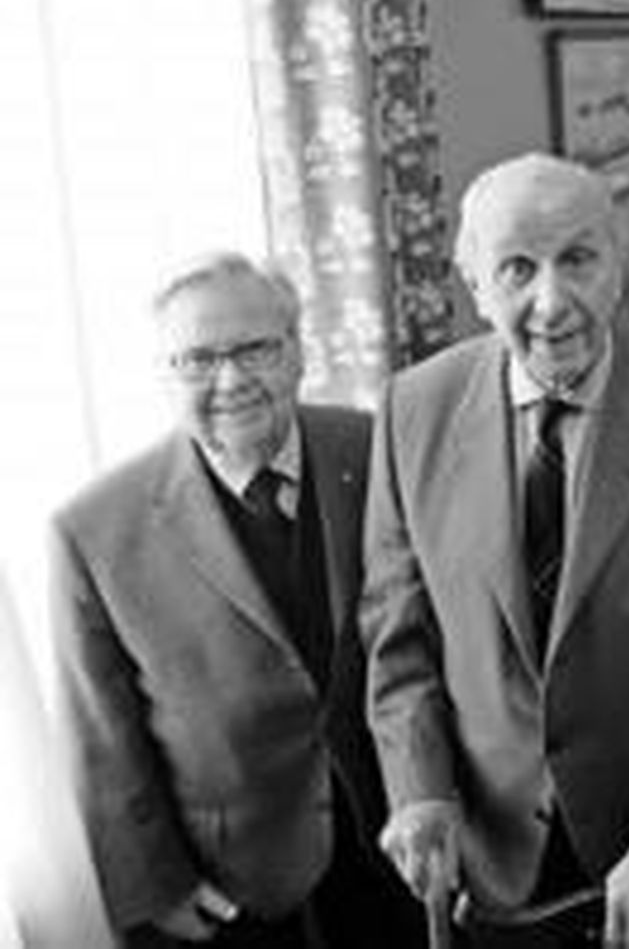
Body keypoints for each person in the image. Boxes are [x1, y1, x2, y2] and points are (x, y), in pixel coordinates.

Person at [361, 152, 629, 949]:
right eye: (517, 269)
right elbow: (399, 631)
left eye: (578, 259)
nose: (551, 302)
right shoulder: (411, 409)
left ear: (620, 260)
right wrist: (418, 788)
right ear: (472, 281)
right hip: (488, 856)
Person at [50, 253, 421, 949]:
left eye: (255, 348)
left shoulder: (374, 447)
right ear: (164, 374)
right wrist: (155, 887)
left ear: (299, 351)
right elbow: (104, 738)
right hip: (237, 878)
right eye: (197, 359)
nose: (231, 380)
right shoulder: (92, 531)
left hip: (399, 836)